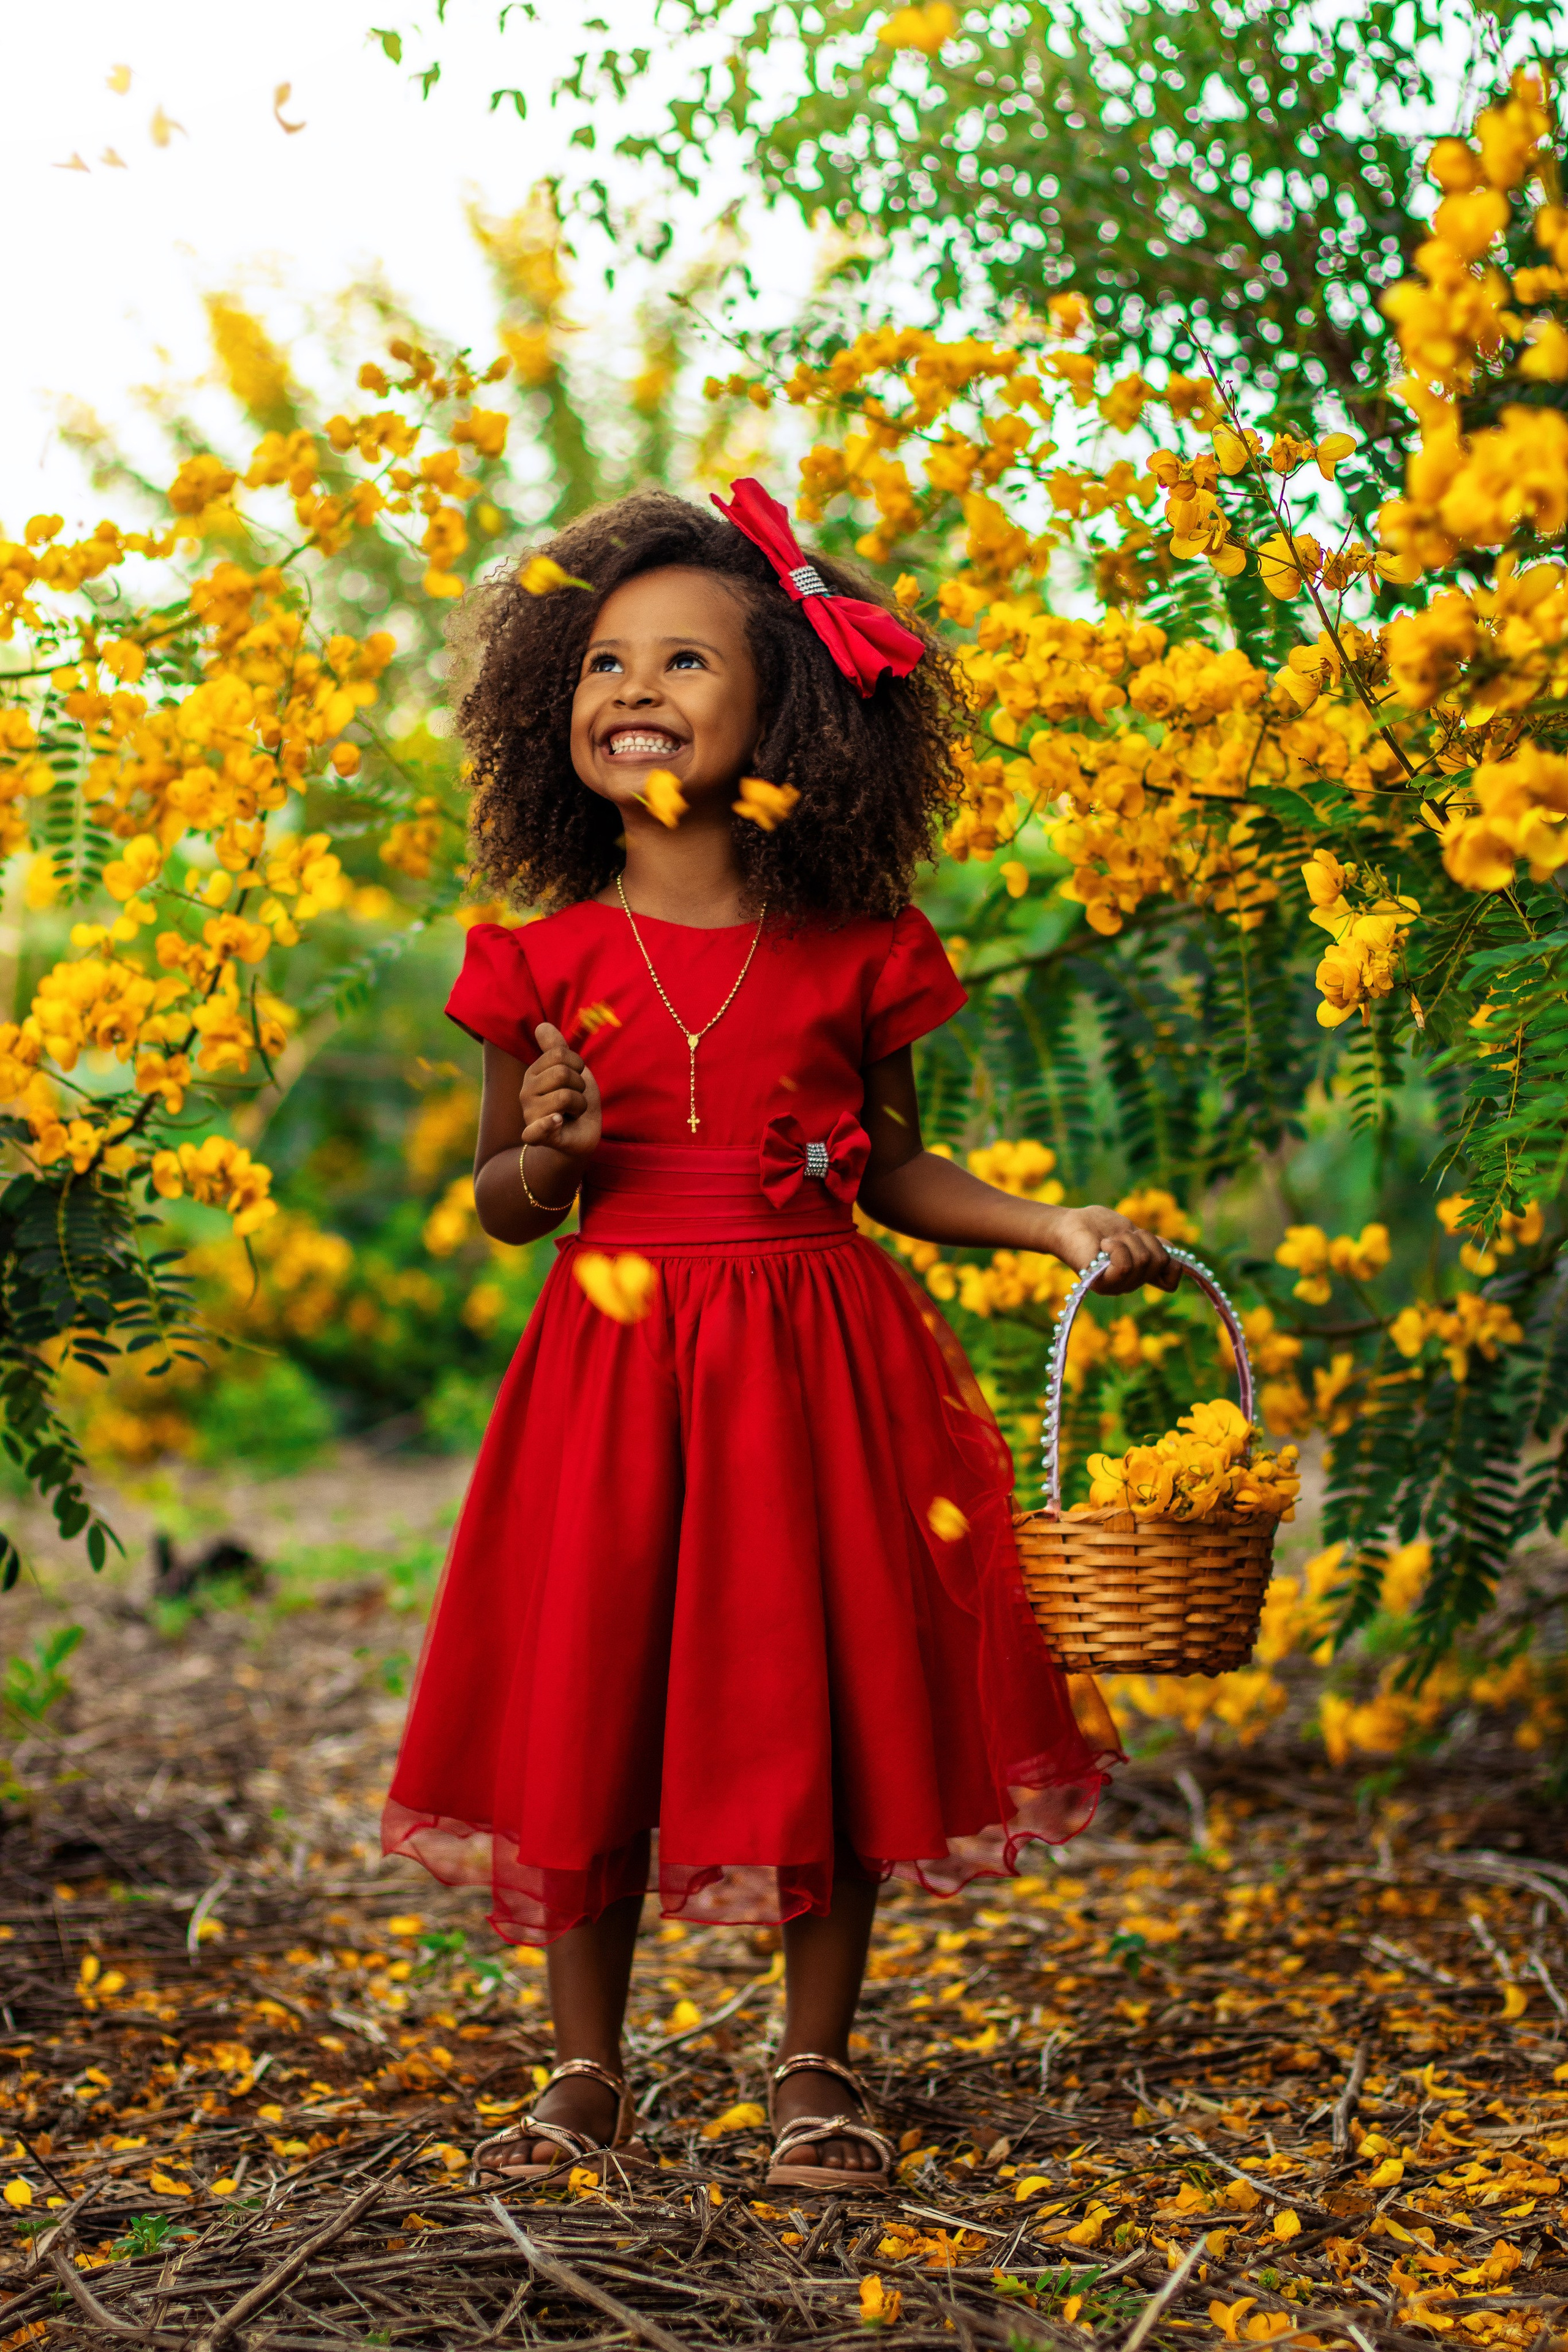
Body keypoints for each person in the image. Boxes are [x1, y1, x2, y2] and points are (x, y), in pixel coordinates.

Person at [382, 480, 1175, 2189]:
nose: (633, 685)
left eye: (686, 658)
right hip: (614, 1367)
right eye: (602, 658)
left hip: (820, 1362)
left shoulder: (859, 949)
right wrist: (553, 1150)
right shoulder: (535, 962)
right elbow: (503, 1206)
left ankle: (816, 2061)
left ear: (787, 713)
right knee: (595, 1689)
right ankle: (583, 2069)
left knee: (831, 1684)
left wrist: (1050, 1224)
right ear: (552, 702)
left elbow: (891, 1166)